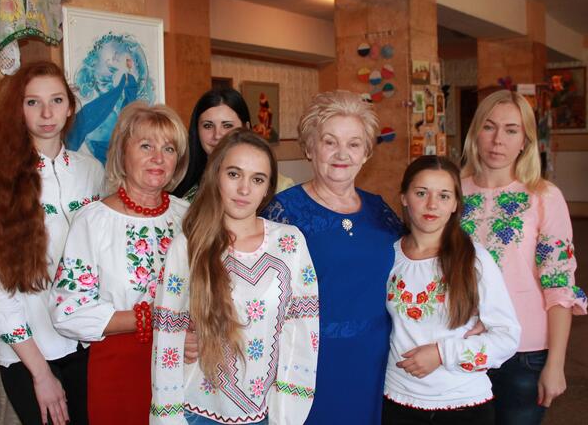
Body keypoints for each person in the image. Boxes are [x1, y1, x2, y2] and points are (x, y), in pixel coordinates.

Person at [0, 61, 105, 425]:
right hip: (29, 354)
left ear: (70, 107)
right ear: (19, 109)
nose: (47, 113)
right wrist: (41, 374)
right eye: (33, 102)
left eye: (56, 100)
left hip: (89, 345)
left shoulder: (91, 171)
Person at [151, 129, 319, 424]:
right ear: (215, 175)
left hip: (267, 413)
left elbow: (303, 335)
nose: (244, 189)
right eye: (233, 174)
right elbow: (167, 336)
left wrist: (287, 415)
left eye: (257, 179)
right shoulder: (188, 245)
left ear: (267, 189)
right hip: (196, 412)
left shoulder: (289, 243)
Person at [263, 90, 404, 424]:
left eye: (354, 144)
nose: (342, 154)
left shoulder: (380, 211)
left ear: (366, 153)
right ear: (310, 148)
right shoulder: (282, 212)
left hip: (375, 360)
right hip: (309, 362)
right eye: (330, 142)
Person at [49, 102, 189, 423]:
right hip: (121, 368)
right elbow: (68, 312)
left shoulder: (189, 216)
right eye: (146, 146)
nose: (158, 158)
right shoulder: (93, 221)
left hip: (186, 362)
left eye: (169, 148)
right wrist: (150, 317)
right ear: (122, 152)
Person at [460, 90, 588, 425]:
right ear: (475, 132)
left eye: (511, 130)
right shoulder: (452, 192)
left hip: (524, 353)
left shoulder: (544, 196)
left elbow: (559, 284)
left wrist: (555, 364)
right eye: (489, 127)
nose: (498, 140)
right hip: (461, 344)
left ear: (525, 141)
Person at [383, 155, 520, 424]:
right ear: (404, 197)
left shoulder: (474, 259)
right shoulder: (388, 255)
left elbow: (507, 337)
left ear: (456, 203)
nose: (432, 204)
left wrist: (442, 353)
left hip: (462, 404)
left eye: (444, 196)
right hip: (396, 400)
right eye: (421, 193)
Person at [172, 88, 293, 203]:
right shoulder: (179, 185)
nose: (217, 135)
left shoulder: (281, 189)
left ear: (246, 128)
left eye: (227, 125)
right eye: (208, 126)